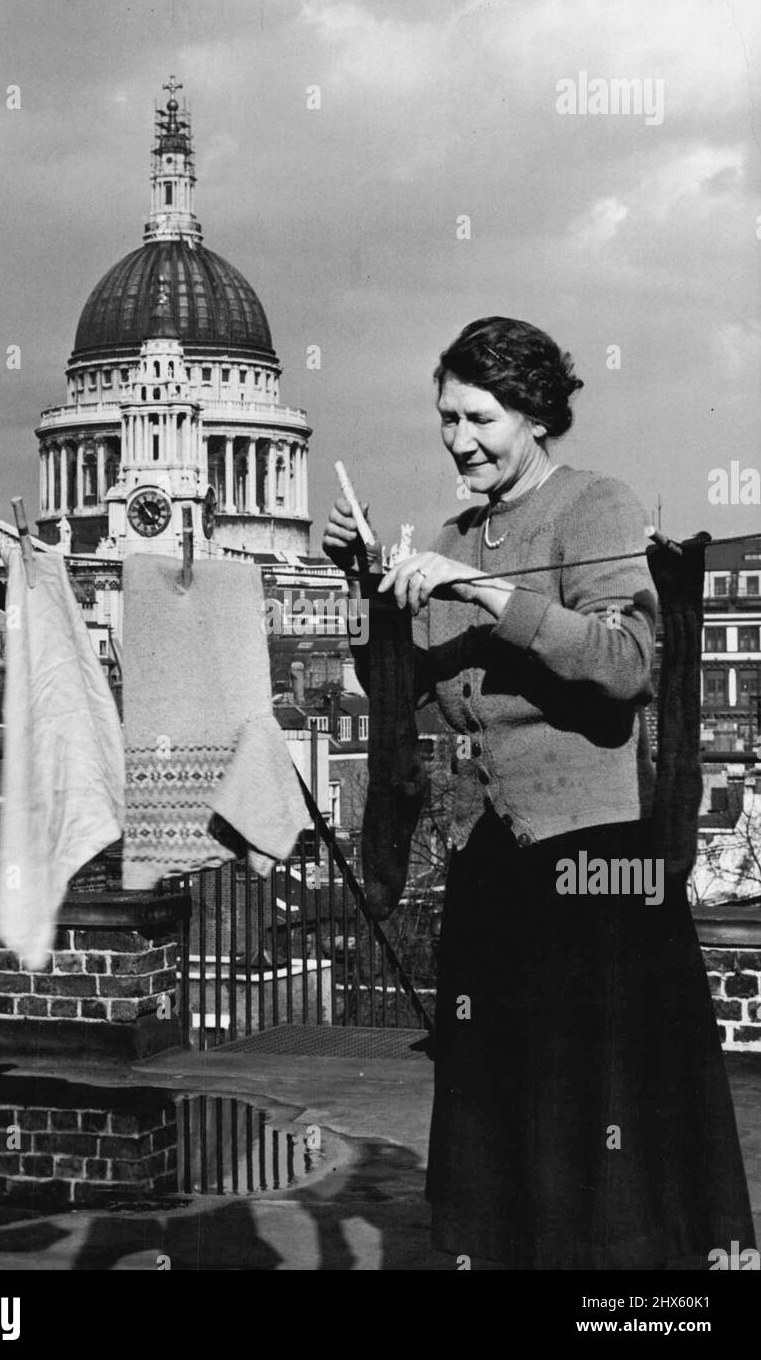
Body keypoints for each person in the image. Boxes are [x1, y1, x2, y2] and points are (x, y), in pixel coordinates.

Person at [322, 316, 755, 1270]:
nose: (459, 439)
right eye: (446, 417)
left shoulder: (596, 504)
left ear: (535, 415)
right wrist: (371, 590)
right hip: (499, 862)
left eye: (480, 417)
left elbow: (625, 663)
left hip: (594, 859)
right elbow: (429, 696)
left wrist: (481, 593)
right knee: (510, 1090)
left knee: (594, 1095)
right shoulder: (450, 535)